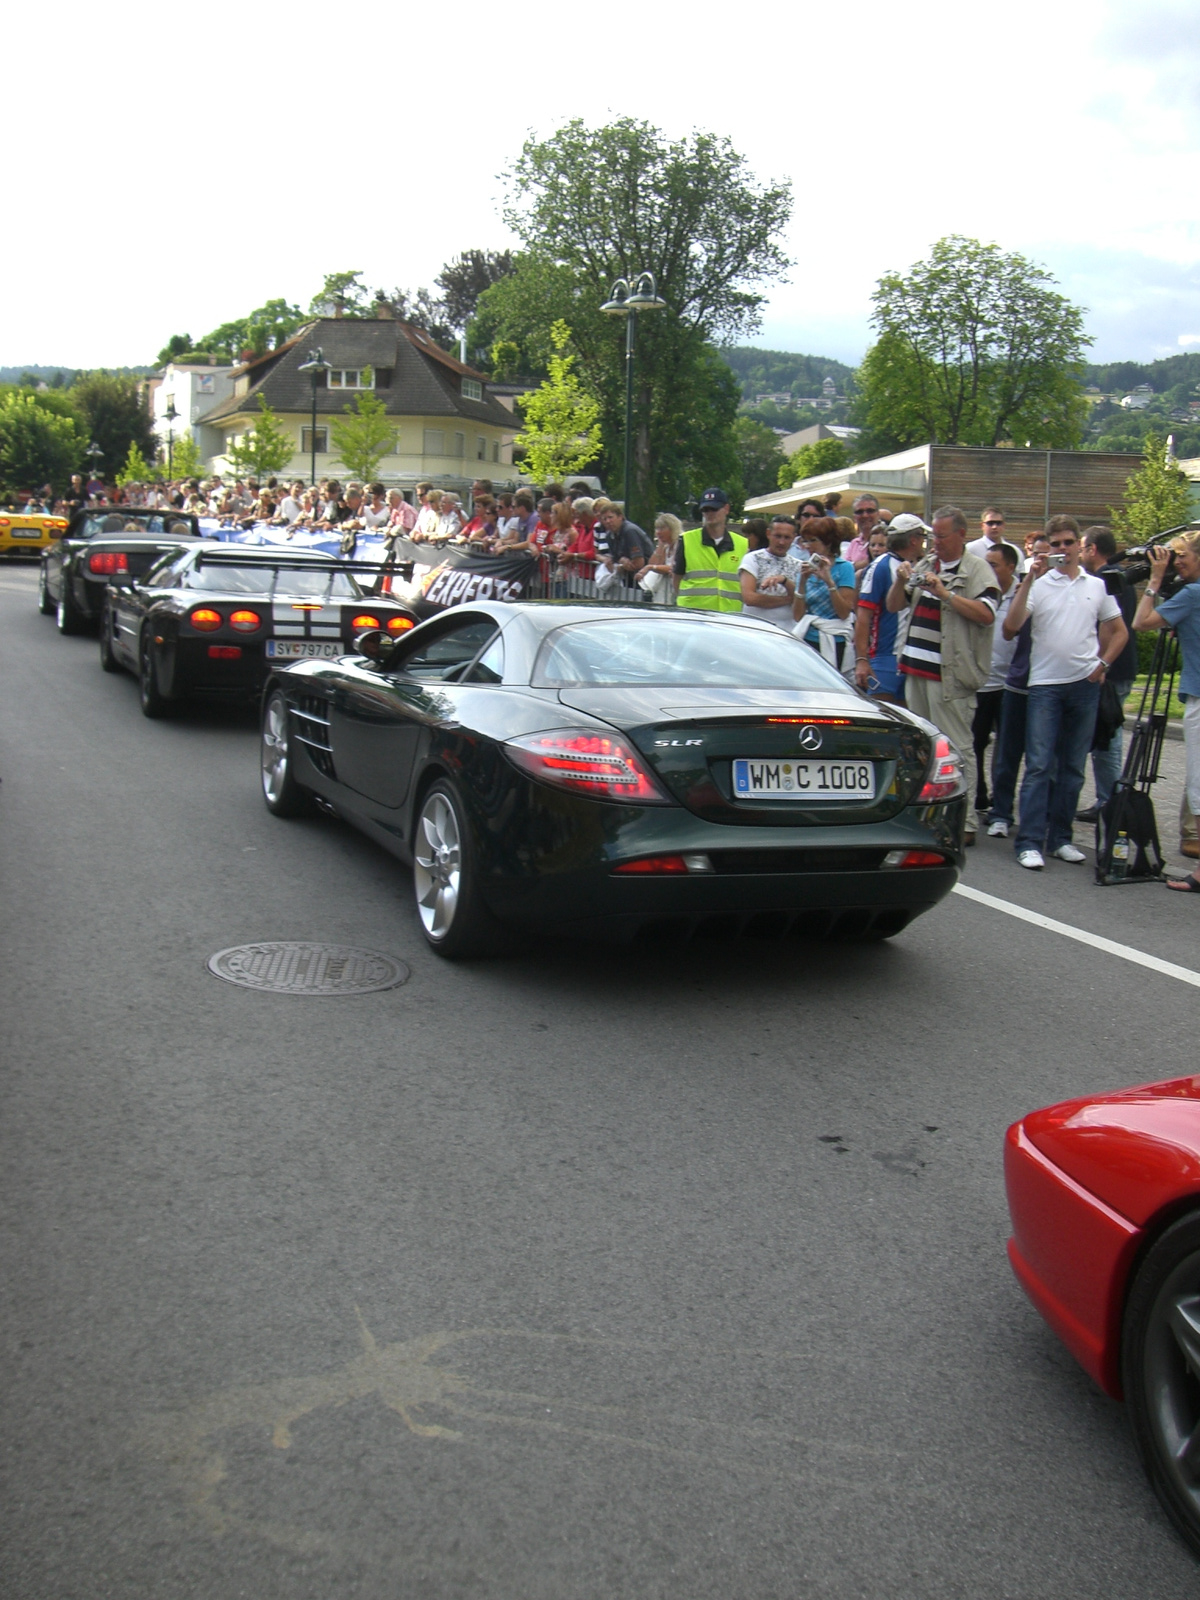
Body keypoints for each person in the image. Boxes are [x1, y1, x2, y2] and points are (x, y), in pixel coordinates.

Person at [1002, 515, 1128, 869]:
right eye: (1055, 544)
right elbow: (1010, 628)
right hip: (1045, 686)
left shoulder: (1095, 585)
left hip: (1083, 685)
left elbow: (1119, 631)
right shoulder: (1039, 585)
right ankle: (1029, 841)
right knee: (1040, 765)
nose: (1062, 550)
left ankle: (1060, 838)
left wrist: (1102, 665)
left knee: (1073, 768)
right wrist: (1029, 578)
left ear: (1079, 546)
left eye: (1068, 543)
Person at [887, 505, 999, 839]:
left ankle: (964, 822)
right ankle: (925, 815)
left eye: (940, 535)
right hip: (916, 672)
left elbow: (986, 614)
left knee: (958, 747)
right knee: (920, 747)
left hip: (949, 675)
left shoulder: (978, 570)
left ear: (962, 535)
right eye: (931, 534)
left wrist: (945, 594)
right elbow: (895, 605)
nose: (932, 541)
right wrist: (899, 581)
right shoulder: (926, 564)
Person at [1132, 532, 1200, 890]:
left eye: (1182, 555)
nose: (1177, 561)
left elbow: (1140, 622)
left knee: (1199, 784)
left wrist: (1155, 580)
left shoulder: (1191, 594)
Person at [986, 535, 1052, 839]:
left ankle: (1041, 818)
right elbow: (1010, 629)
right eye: (1035, 555)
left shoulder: (1065, 588)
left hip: (1049, 682)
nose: (1041, 561)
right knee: (1006, 754)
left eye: (1046, 555)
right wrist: (1028, 582)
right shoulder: (1024, 590)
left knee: (1042, 759)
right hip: (1017, 679)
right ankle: (1000, 812)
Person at [1076, 526, 1138, 823]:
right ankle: (1107, 798)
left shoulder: (1106, 580)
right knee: (1106, 739)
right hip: (1118, 666)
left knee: (1107, 738)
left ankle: (1110, 803)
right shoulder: (1119, 577)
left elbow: (1109, 627)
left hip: (1110, 668)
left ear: (1093, 549)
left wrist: (1100, 663)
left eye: (1082, 546)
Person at [854, 514, 928, 702]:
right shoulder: (880, 566)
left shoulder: (918, 566)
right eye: (922, 537)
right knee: (884, 716)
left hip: (910, 655)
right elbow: (863, 616)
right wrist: (861, 660)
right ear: (913, 539)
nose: (923, 543)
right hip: (885, 655)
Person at [971, 542, 1021, 813]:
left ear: (1011, 567)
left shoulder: (1024, 594)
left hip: (1010, 682)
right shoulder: (982, 590)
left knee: (1007, 748)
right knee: (975, 742)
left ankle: (1002, 803)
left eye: (994, 564)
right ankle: (978, 795)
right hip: (982, 681)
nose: (987, 568)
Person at [793, 516, 856, 668]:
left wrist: (829, 581)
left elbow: (844, 613)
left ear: (828, 542)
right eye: (805, 541)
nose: (808, 546)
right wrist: (802, 581)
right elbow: (797, 616)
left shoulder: (844, 568)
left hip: (835, 640)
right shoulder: (805, 568)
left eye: (813, 540)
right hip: (809, 637)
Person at [674, 488, 747, 611]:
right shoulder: (687, 540)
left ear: (726, 509)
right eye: (705, 510)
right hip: (694, 615)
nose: (709, 513)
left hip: (730, 616)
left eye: (714, 509)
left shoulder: (742, 544)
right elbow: (676, 579)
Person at [739, 515, 802, 627]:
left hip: (787, 632)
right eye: (777, 536)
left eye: (786, 537)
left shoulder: (799, 565)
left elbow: (802, 603)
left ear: (794, 537)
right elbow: (749, 598)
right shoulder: (752, 558)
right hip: (754, 629)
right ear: (768, 534)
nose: (781, 542)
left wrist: (785, 581)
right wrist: (788, 599)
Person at [597, 501, 653, 588]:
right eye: (604, 519)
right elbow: (615, 561)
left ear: (620, 517)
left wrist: (621, 566)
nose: (608, 521)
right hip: (627, 580)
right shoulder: (609, 535)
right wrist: (617, 562)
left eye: (610, 517)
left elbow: (638, 563)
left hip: (644, 580)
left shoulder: (629, 531)